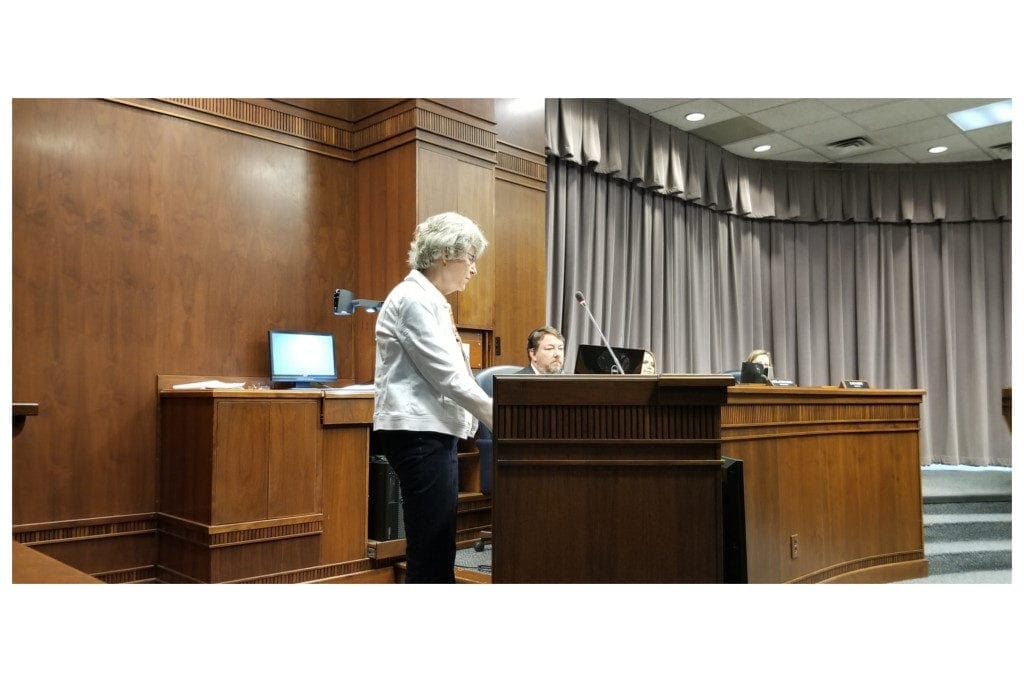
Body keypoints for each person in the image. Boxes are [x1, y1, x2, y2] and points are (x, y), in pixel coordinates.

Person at [373, 212, 493, 583]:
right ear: (445, 254)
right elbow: (449, 377)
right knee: (430, 550)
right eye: (470, 257)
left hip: (433, 433)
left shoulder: (432, 300)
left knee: (438, 545)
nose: (473, 268)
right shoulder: (413, 299)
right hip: (419, 434)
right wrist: (500, 417)